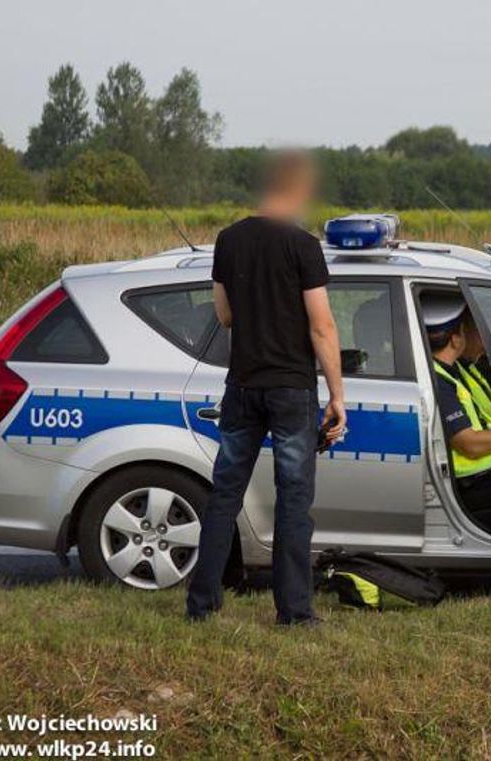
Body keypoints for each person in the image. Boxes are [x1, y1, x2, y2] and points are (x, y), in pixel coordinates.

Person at [186, 150, 347, 627]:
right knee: (293, 499)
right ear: (297, 190)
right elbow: (322, 327)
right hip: (291, 389)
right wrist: (337, 396)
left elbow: (225, 314)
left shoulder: (228, 240)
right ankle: (294, 611)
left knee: (224, 494)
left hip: (242, 386)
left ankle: (202, 603)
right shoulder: (303, 246)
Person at [423, 294, 491, 538]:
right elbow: (469, 444)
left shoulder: (459, 367)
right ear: (455, 339)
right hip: (474, 485)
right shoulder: (439, 382)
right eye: (471, 329)